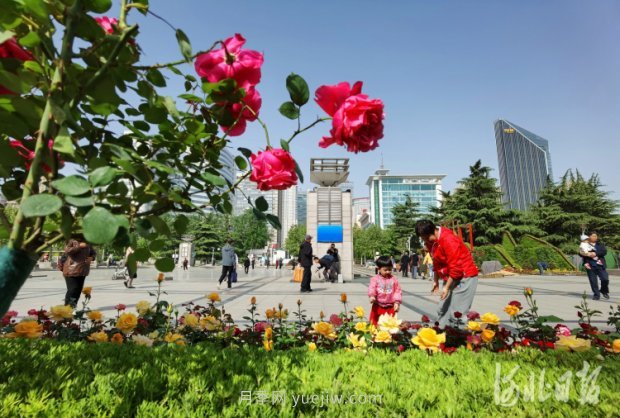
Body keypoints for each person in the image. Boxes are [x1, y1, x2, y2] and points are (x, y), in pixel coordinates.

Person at [415, 220, 479, 328]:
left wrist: (446, 287)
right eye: (423, 239)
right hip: (451, 277)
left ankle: (458, 340)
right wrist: (436, 281)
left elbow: (456, 268)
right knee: (442, 309)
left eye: (426, 238)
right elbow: (436, 261)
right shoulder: (432, 242)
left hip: (464, 276)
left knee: (457, 313)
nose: (425, 242)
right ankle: (442, 335)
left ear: (433, 231)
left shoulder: (448, 240)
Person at [368, 256, 402, 326]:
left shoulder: (393, 279)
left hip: (390, 307)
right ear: (379, 269)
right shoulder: (375, 279)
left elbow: (397, 291)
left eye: (389, 269)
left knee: (390, 326)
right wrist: (372, 296)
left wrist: (397, 302)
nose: (388, 272)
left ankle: (390, 336)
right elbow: (372, 287)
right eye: (385, 270)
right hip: (377, 305)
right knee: (374, 324)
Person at [62, 237, 96, 307]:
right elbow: (67, 250)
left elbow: (93, 253)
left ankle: (73, 307)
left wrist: (91, 258)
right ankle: (66, 309)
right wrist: (79, 245)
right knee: (72, 290)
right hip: (71, 270)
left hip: (83, 270)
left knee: (78, 291)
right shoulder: (71, 240)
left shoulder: (88, 242)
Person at [580, 232, 610, 300]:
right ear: (589, 237)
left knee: (605, 279)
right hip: (589, 265)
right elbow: (580, 253)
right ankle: (596, 295)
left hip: (600, 265)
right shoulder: (584, 244)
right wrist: (586, 254)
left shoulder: (600, 245)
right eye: (593, 236)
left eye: (596, 236)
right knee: (593, 281)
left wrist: (595, 253)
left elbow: (604, 252)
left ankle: (604, 290)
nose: (595, 237)